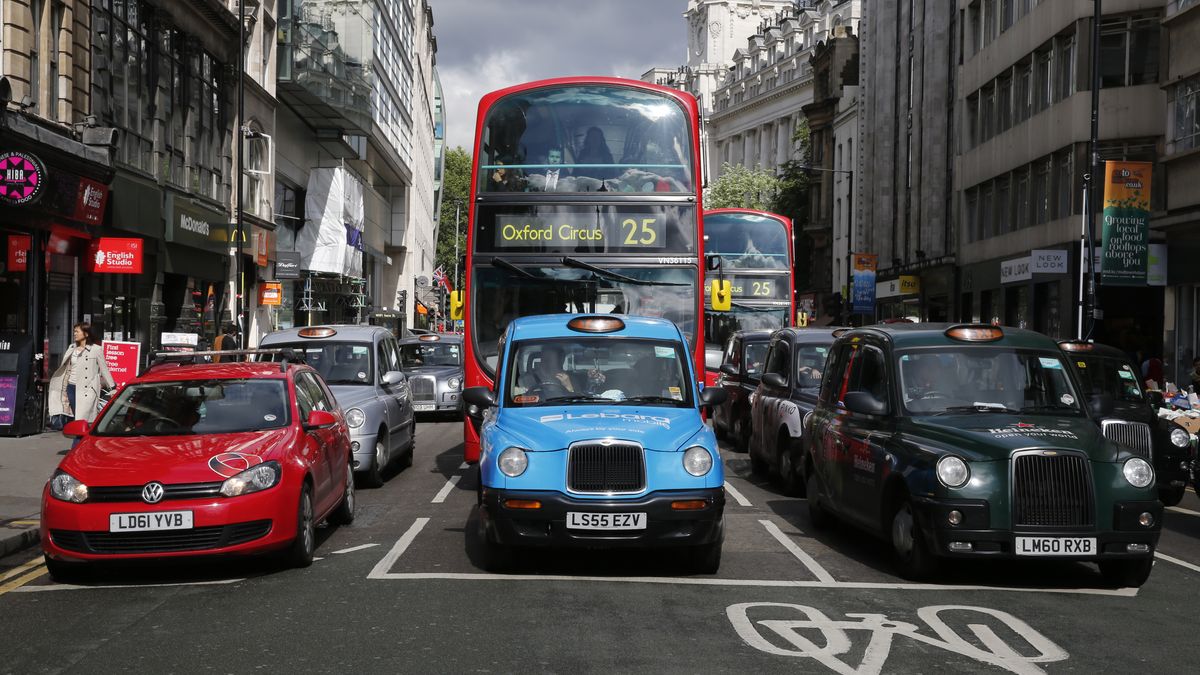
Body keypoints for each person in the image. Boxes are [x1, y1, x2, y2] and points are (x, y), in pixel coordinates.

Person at [48, 322, 116, 430]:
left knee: (82, 420)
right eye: (74, 331)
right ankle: (83, 442)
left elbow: (104, 370)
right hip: (71, 387)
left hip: (87, 390)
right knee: (78, 418)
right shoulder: (71, 348)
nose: (74, 334)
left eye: (77, 331)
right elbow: (66, 368)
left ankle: (78, 444)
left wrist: (112, 388)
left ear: (86, 334)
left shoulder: (96, 350)